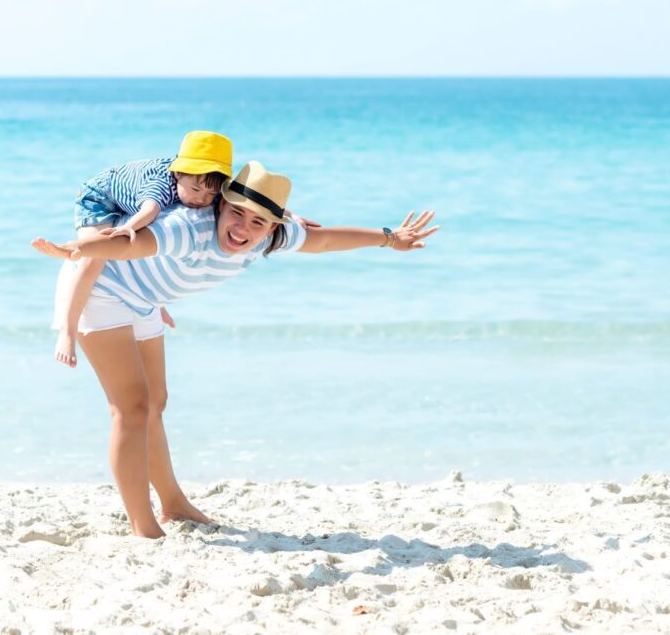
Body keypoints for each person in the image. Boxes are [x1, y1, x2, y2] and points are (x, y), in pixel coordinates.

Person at [32, 161, 439, 538]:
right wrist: (75, 250)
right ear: (220, 206)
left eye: (257, 222)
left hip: (145, 298)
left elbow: (325, 239)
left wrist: (389, 239)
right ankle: (143, 525)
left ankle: (173, 504)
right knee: (132, 408)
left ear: (273, 228)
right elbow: (127, 246)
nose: (242, 228)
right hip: (102, 291)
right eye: (236, 214)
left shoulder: (272, 238)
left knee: (156, 402)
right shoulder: (187, 228)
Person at [54, 130, 233, 368]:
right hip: (99, 199)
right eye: (196, 190)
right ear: (178, 173)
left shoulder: (200, 184)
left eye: (211, 194)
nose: (202, 199)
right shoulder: (161, 185)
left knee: (153, 245)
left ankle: (154, 302)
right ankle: (67, 331)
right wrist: (127, 228)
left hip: (131, 200)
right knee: (95, 258)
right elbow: (150, 210)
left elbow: (238, 198)